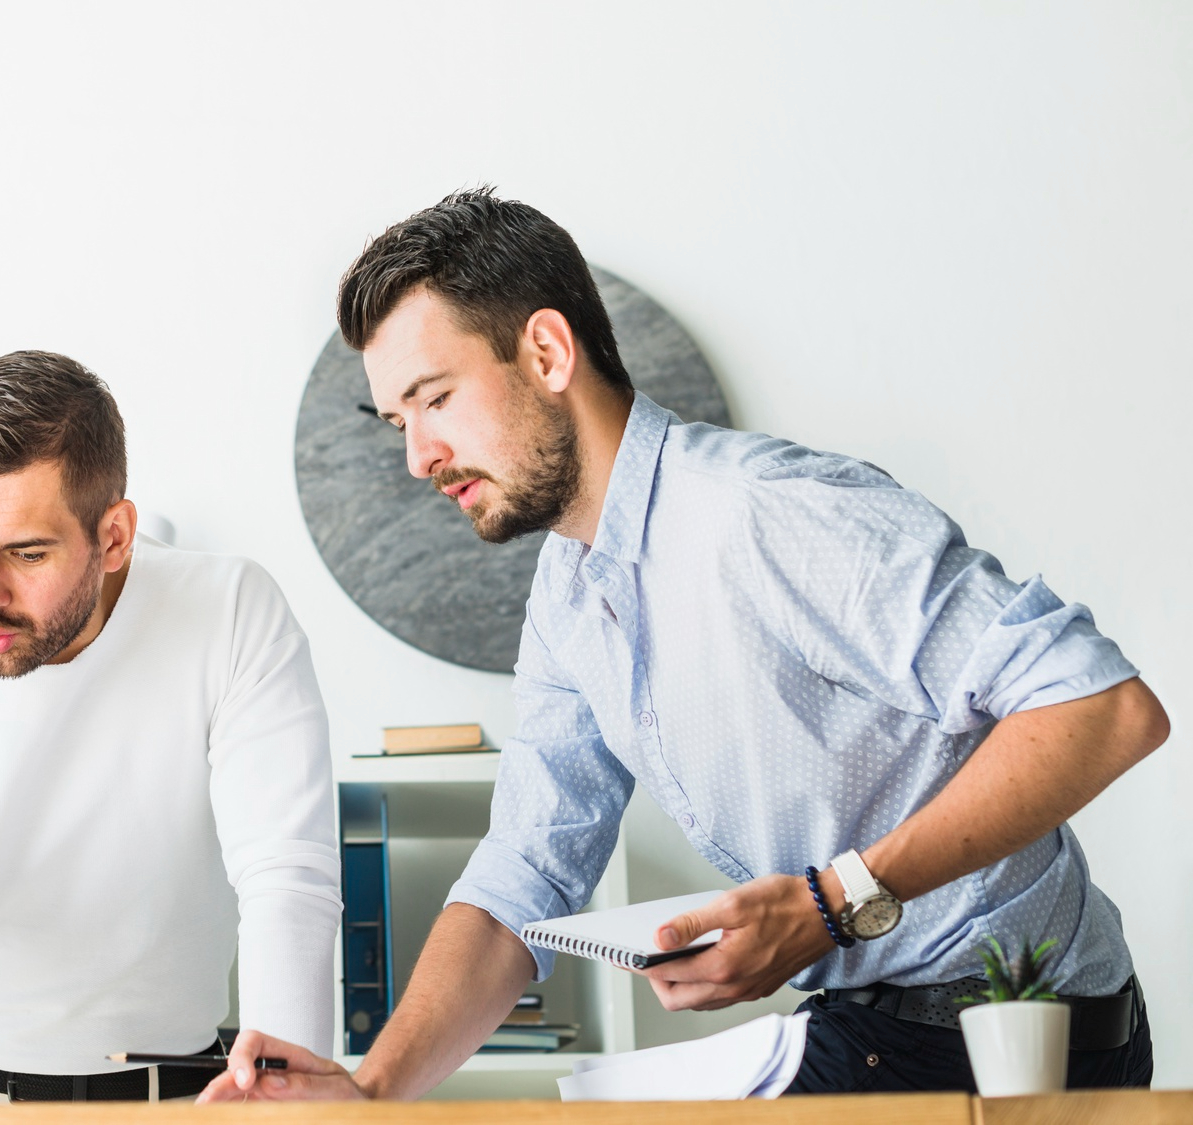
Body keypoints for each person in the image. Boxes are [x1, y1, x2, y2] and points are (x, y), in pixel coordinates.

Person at [206, 189, 1167, 1102]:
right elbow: (522, 877)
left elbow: (1102, 706)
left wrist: (834, 900)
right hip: (866, 1028)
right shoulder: (568, 597)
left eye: (436, 398)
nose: (418, 456)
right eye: (398, 421)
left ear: (546, 353)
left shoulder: (768, 513)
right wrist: (370, 1090)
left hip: (1023, 1039)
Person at [0, 350, 341, 1105]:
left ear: (115, 535)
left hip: (180, 1095)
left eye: (27, 553)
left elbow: (287, 875)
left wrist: (286, 1109)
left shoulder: (230, 612)